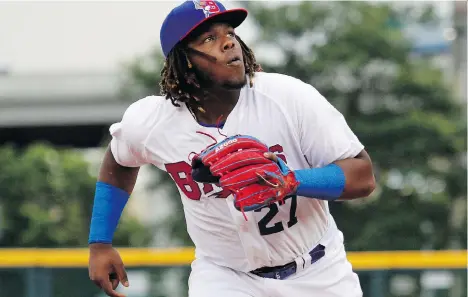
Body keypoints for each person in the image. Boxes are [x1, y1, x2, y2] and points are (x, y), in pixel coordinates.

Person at [87, 1, 376, 297]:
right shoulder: (152, 122)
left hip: (317, 272)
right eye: (209, 39)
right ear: (183, 60)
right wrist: (100, 243)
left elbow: (362, 176)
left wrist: (292, 181)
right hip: (225, 277)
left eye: (230, 33)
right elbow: (119, 159)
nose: (228, 43)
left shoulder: (287, 97)